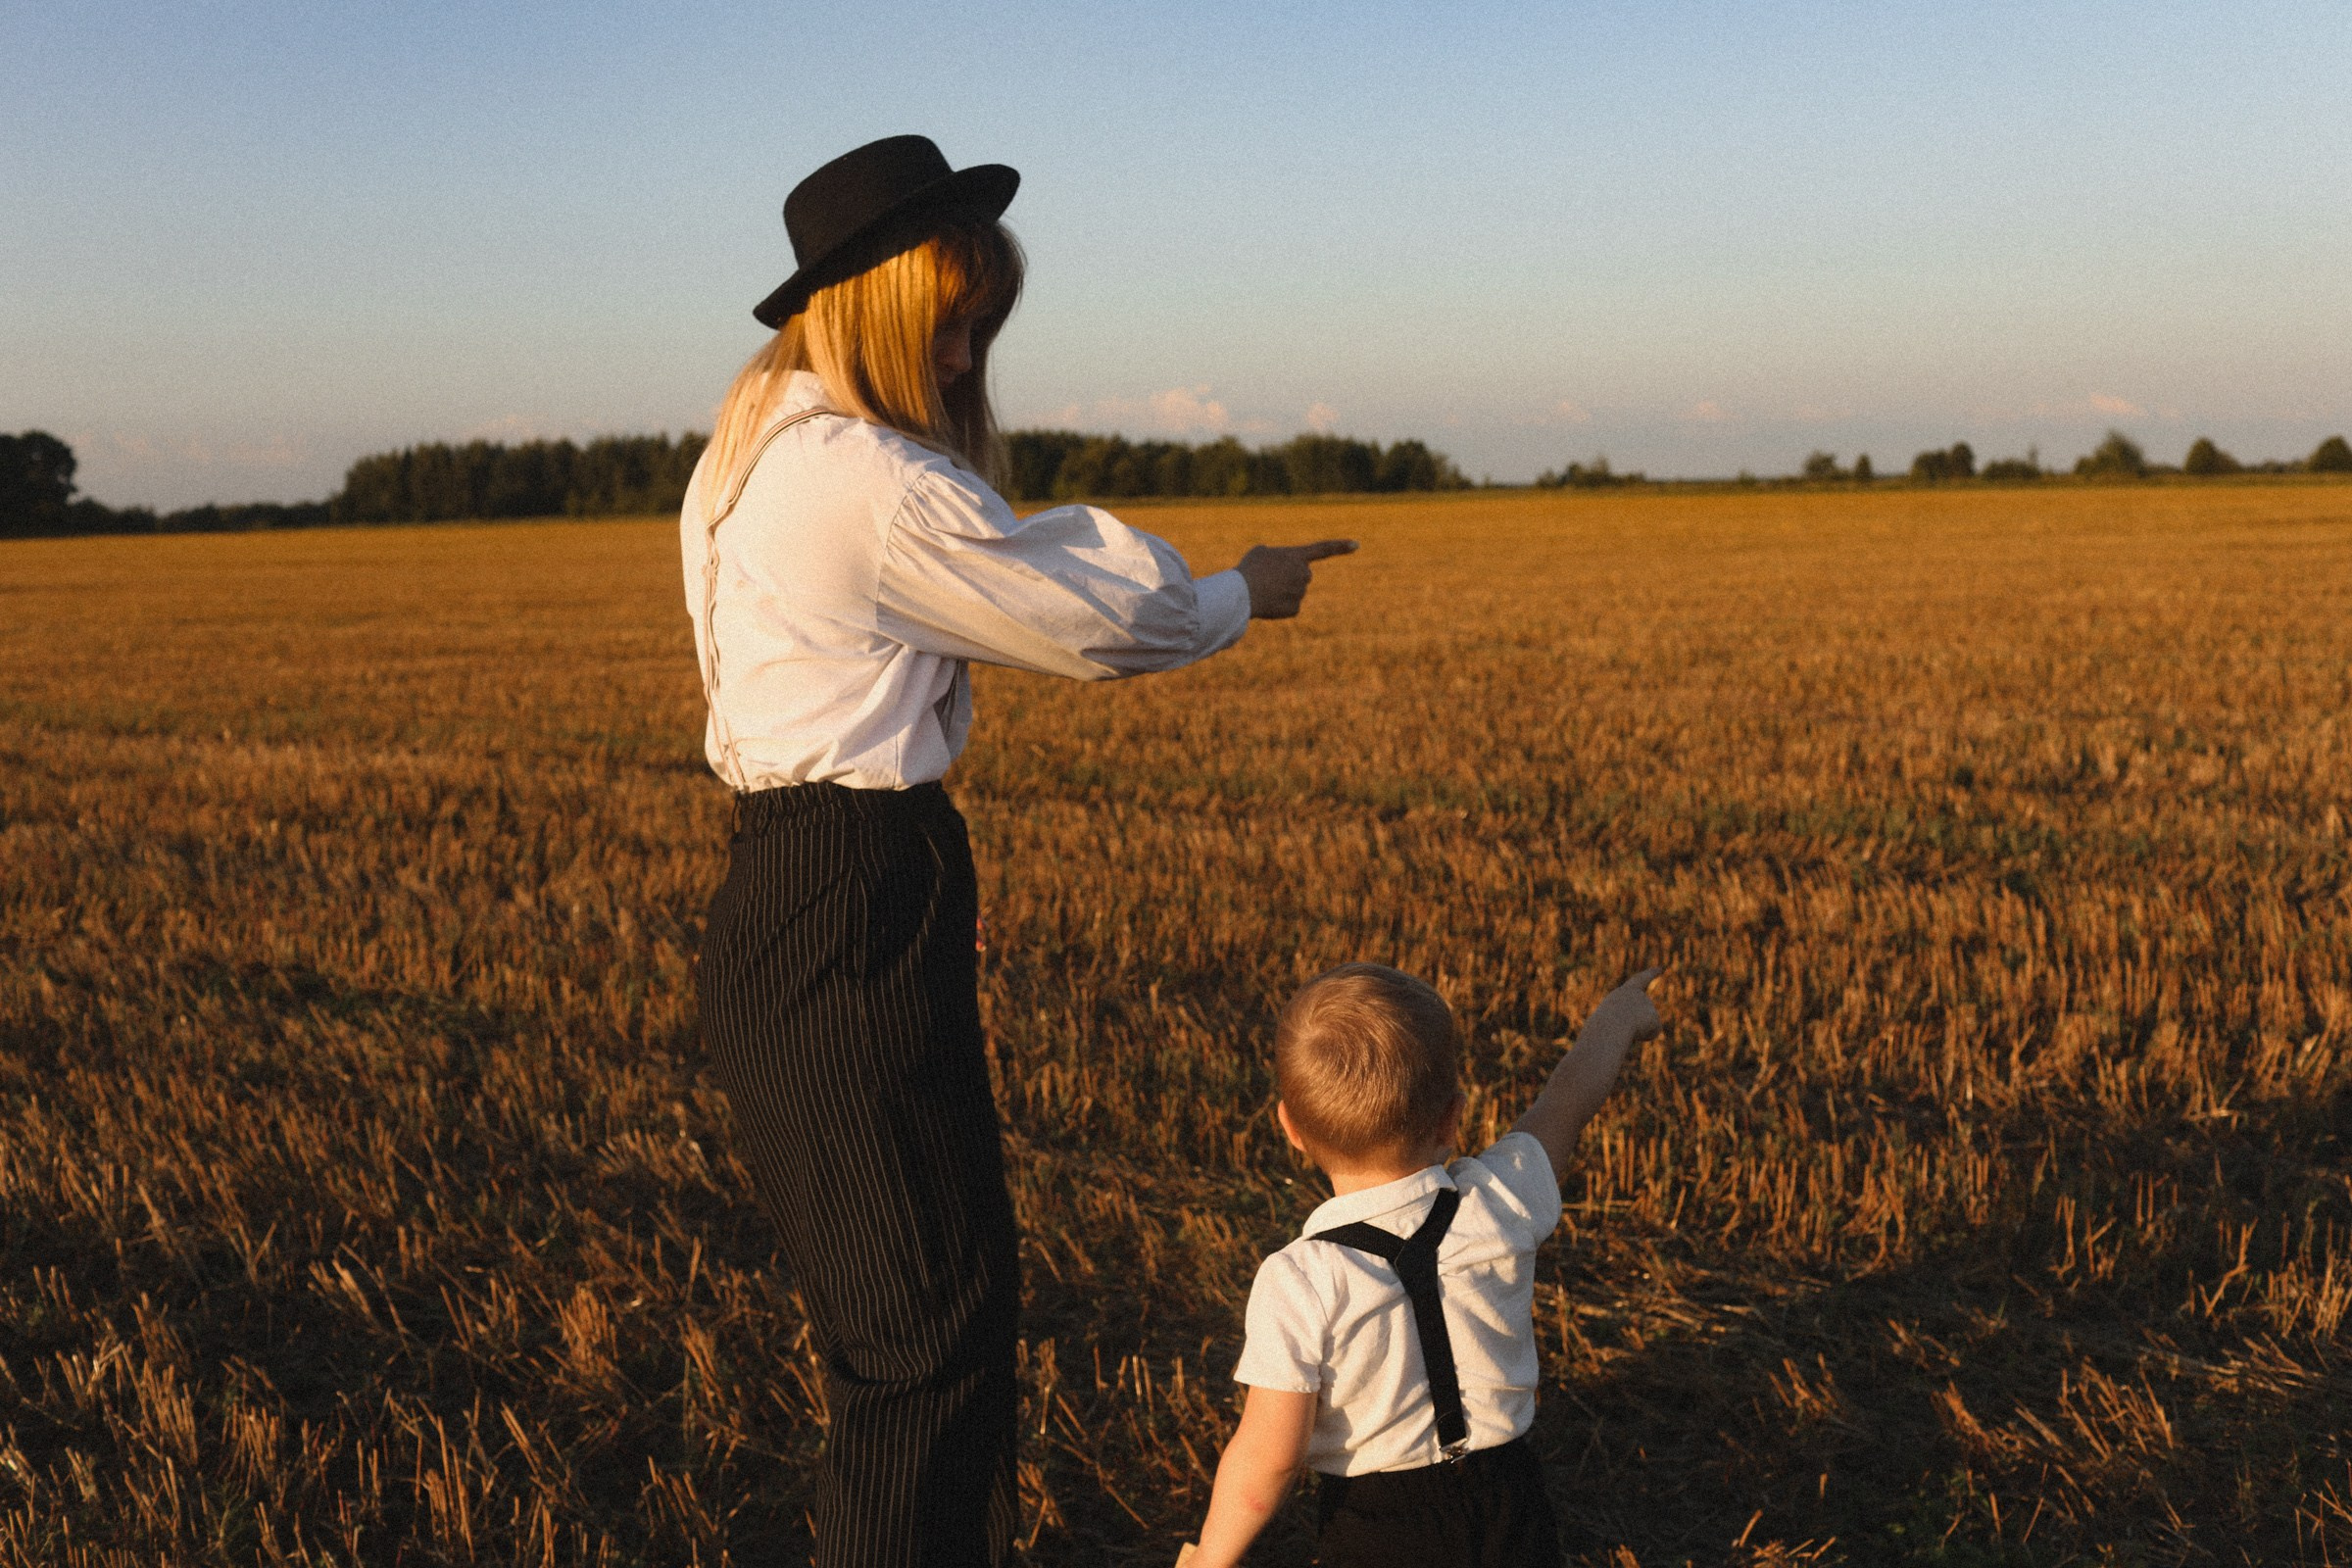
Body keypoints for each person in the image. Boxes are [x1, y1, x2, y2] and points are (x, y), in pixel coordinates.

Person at [682, 133, 1355, 1568]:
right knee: (919, 1341)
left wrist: (917, 878)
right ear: (876, 305)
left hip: (829, 884)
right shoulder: (854, 478)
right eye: (953, 319)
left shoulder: (751, 450)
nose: (968, 352)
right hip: (840, 895)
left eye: (983, 322)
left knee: (941, 1310)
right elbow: (1100, 618)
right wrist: (1247, 590)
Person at [1184, 963, 1665, 1568]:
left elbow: (1270, 1455)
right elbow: (1568, 1100)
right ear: (1452, 1116)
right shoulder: (1501, 1200)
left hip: (1377, 1529)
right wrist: (1616, 1019)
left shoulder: (1301, 1279)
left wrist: (1208, 1558)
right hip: (1510, 1500)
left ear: (1291, 1129)